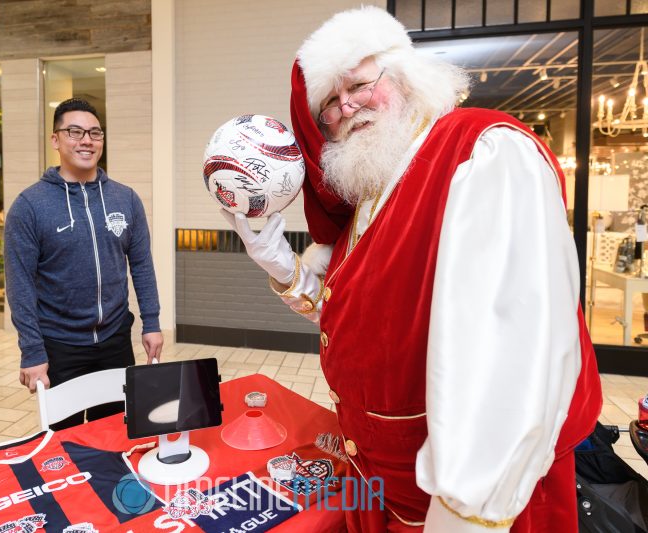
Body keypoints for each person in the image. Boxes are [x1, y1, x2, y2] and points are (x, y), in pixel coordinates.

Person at [222, 6, 602, 532]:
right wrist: (276, 258)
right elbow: (365, 319)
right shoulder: (376, 190)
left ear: (403, 73)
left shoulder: (485, 154)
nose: (347, 106)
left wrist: (466, 514)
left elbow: (517, 367)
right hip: (381, 483)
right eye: (329, 103)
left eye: (356, 84)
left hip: (465, 509)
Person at [5, 97, 163, 429]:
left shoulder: (125, 198)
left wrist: (151, 322)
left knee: (118, 435)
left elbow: (142, 265)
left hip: (115, 341)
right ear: (56, 140)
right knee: (67, 443)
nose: (86, 140)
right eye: (75, 132)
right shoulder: (30, 205)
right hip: (60, 346)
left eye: (95, 133)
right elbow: (19, 284)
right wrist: (33, 352)